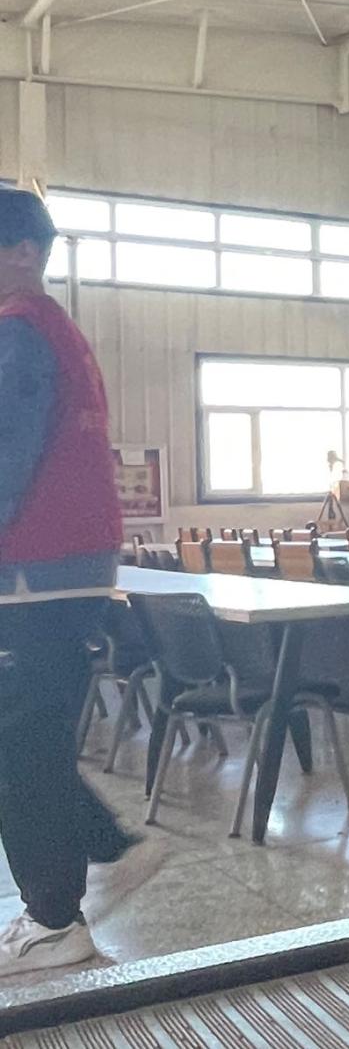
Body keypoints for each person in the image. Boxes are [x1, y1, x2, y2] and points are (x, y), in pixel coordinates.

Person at [0, 188, 152, 976]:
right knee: (25, 739)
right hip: (58, 570)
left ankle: (55, 921)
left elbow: (5, 455)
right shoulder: (49, 330)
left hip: (37, 570)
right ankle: (107, 848)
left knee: (20, 747)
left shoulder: (19, 329)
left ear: (24, 252)